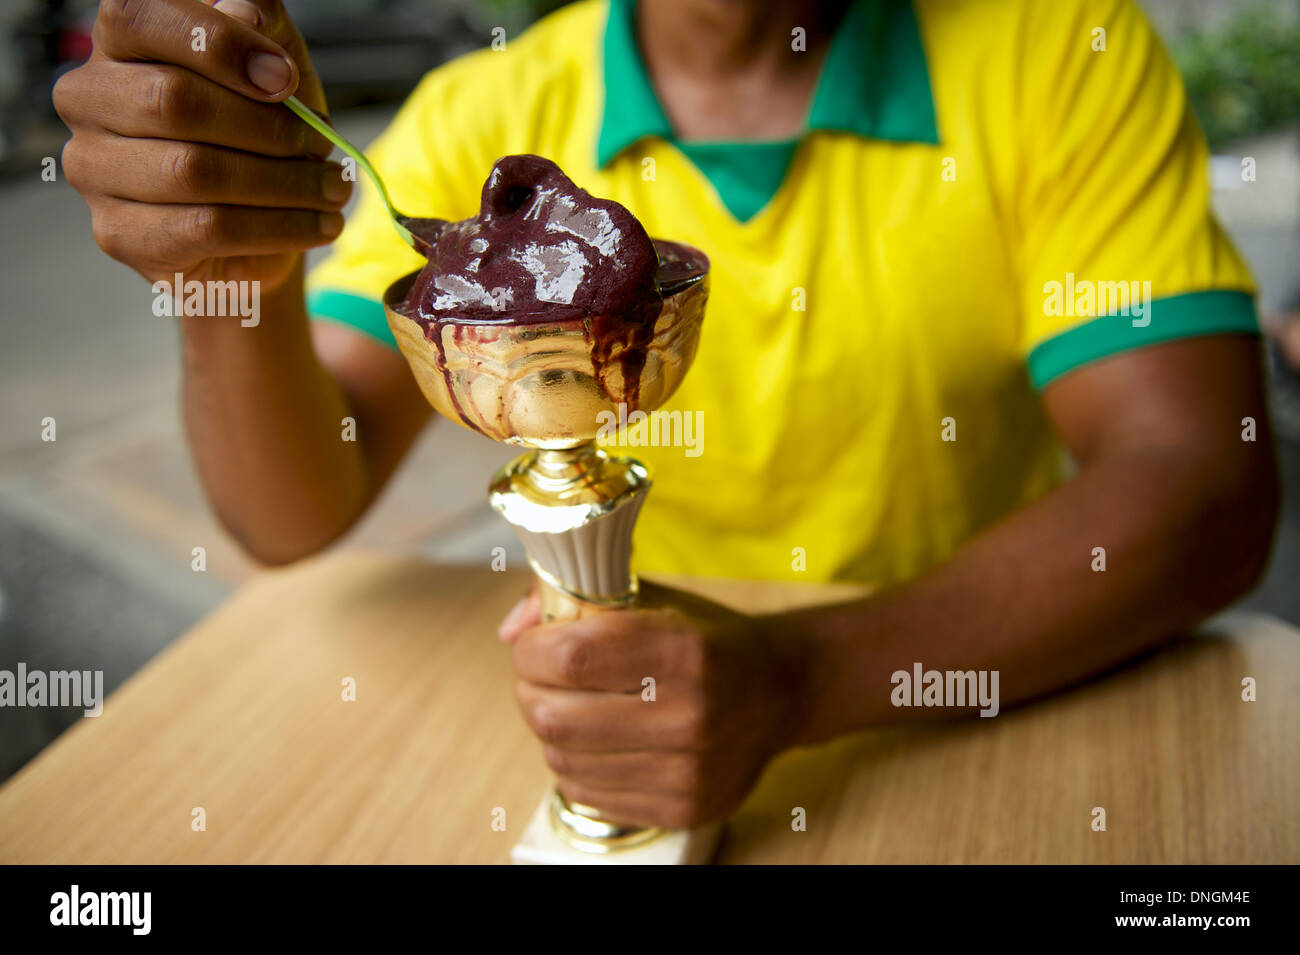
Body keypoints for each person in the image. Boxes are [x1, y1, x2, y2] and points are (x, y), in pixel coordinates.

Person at [54, 0, 1278, 829]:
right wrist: (229, 274)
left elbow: (1198, 477)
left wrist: (805, 678)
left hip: (991, 708)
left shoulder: (1058, 50)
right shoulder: (484, 112)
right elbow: (291, 508)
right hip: (593, 739)